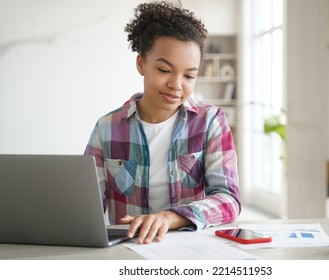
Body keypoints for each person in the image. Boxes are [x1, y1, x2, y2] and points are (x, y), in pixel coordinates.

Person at [84, 1, 240, 245]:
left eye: (189, 75)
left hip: (192, 247)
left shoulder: (210, 121)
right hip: (130, 248)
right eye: (164, 70)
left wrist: (169, 218)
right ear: (141, 64)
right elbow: (86, 206)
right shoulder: (107, 127)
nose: (177, 85)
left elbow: (229, 199)